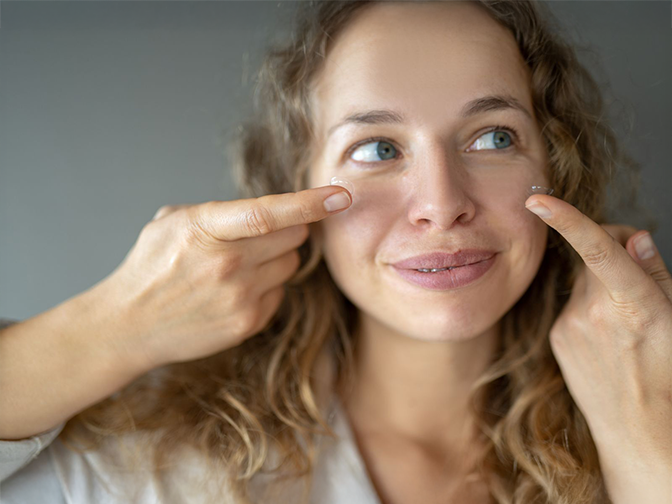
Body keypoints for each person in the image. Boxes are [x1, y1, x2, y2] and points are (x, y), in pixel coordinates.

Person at [1, 1, 669, 503]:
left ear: (555, 166)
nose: (441, 203)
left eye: (493, 137)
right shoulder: (149, 463)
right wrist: (114, 328)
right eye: (377, 148)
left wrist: (646, 444)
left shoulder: (653, 427)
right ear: (296, 192)